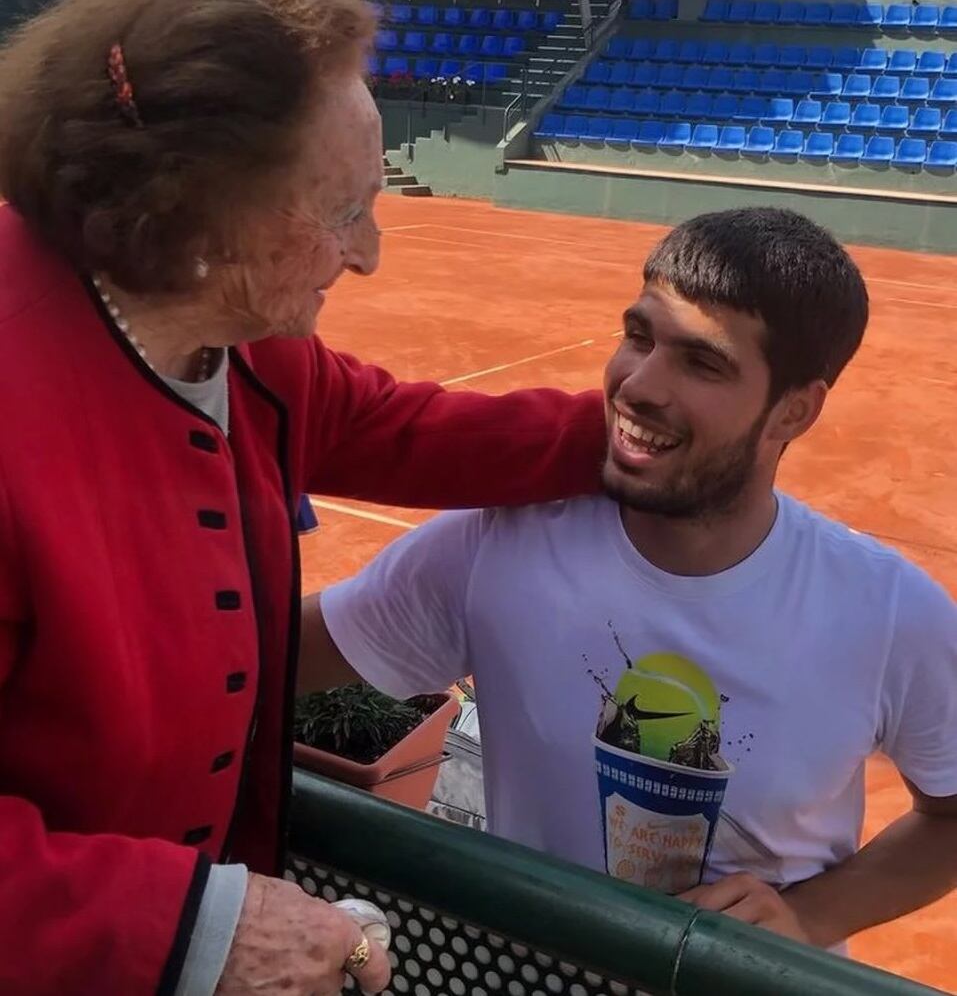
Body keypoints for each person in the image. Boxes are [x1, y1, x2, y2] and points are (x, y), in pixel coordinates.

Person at [0, 0, 607, 996]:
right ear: (196, 218)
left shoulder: (238, 339)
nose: (369, 253)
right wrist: (192, 928)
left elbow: (405, 427)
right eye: (341, 215)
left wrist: (629, 433)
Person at [308, 207, 957, 952]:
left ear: (793, 410)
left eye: (701, 362)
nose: (635, 385)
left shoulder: (885, 610)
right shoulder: (499, 544)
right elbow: (264, 656)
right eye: (637, 336)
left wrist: (813, 914)